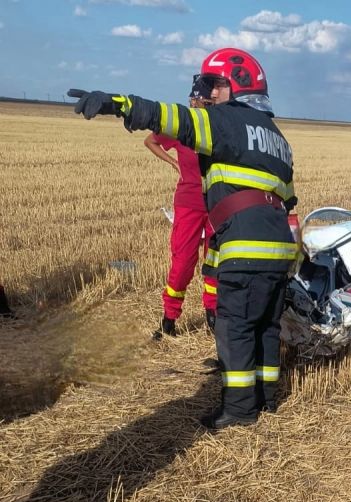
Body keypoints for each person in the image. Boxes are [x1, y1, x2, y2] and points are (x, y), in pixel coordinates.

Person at [69, 47, 298, 430]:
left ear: (237, 87)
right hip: (278, 249)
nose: (207, 94)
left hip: (246, 246)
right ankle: (267, 399)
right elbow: (289, 202)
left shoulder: (226, 121)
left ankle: (240, 410)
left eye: (214, 85)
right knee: (267, 327)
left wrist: (120, 103)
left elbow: (172, 118)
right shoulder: (277, 139)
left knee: (235, 327)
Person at [145, 78, 217, 340]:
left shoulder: (220, 126)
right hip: (189, 203)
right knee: (183, 261)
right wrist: (173, 163)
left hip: (218, 204)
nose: (196, 105)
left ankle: (213, 317)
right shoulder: (181, 125)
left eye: (202, 102)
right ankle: (169, 320)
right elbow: (150, 141)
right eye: (194, 101)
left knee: (215, 262)